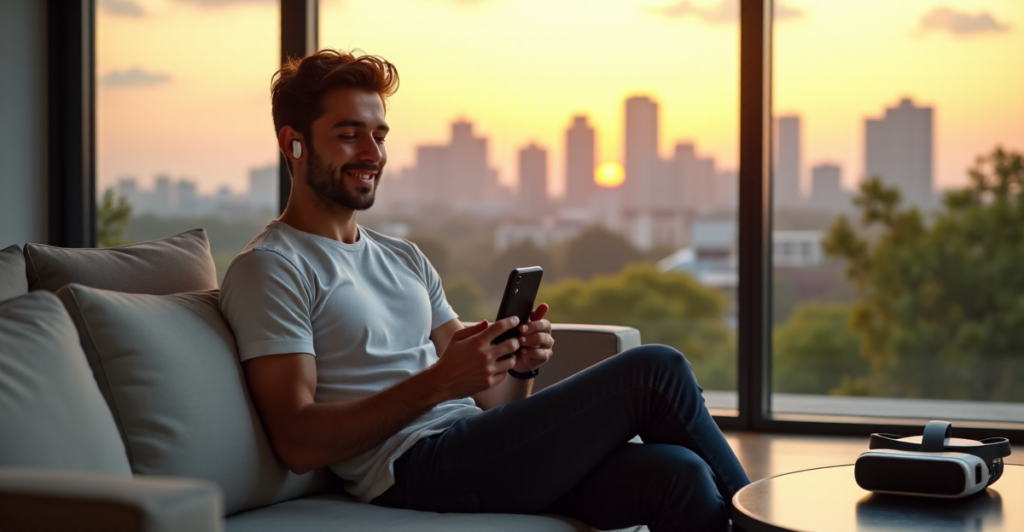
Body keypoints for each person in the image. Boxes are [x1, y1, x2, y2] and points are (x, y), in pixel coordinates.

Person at [220, 49, 750, 531]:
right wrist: (437, 382)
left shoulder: (403, 257)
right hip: (412, 468)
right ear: (292, 143)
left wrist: (518, 366)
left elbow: (492, 400)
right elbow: (297, 440)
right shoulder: (272, 268)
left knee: (677, 473)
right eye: (349, 134)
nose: (372, 153)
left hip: (473, 443)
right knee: (656, 370)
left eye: (379, 135)